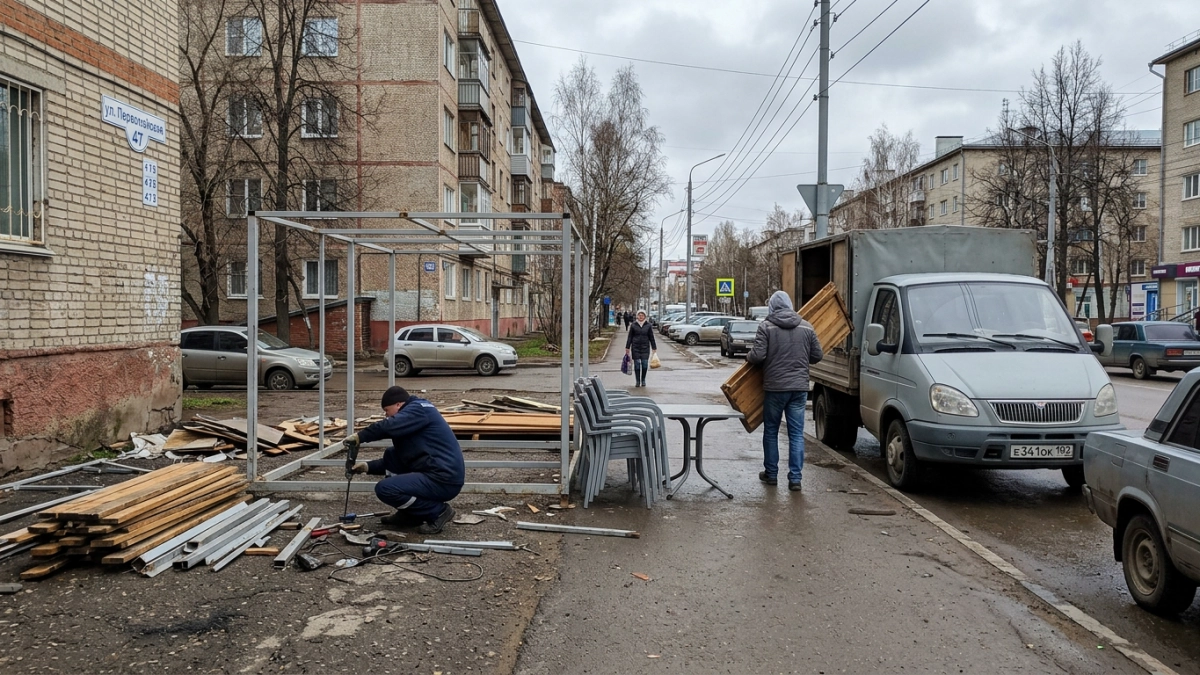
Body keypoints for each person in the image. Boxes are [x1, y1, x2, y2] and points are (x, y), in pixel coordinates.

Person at [344, 386, 464, 534]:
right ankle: (412, 515)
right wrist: (367, 467)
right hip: (435, 472)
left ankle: (438, 511)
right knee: (392, 453)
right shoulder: (416, 414)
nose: (387, 416)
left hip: (443, 479)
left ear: (398, 404)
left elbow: (389, 426)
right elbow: (399, 460)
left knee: (385, 489)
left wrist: (360, 437)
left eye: (387, 411)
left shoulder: (418, 409)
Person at [746, 290, 823, 492]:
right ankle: (795, 479)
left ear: (772, 307)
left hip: (775, 387)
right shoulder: (807, 327)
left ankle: (771, 474)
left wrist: (749, 355)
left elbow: (758, 356)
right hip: (799, 388)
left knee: (771, 431)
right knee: (796, 434)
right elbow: (817, 355)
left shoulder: (766, 326)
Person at [625, 310, 658, 387]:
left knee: (644, 364)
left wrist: (654, 347)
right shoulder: (633, 325)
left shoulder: (648, 325)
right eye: (639, 315)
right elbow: (630, 337)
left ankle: (643, 379)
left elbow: (651, 337)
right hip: (635, 347)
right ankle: (637, 381)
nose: (640, 316)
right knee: (637, 364)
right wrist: (627, 347)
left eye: (642, 315)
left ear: (645, 316)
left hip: (645, 348)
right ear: (637, 316)